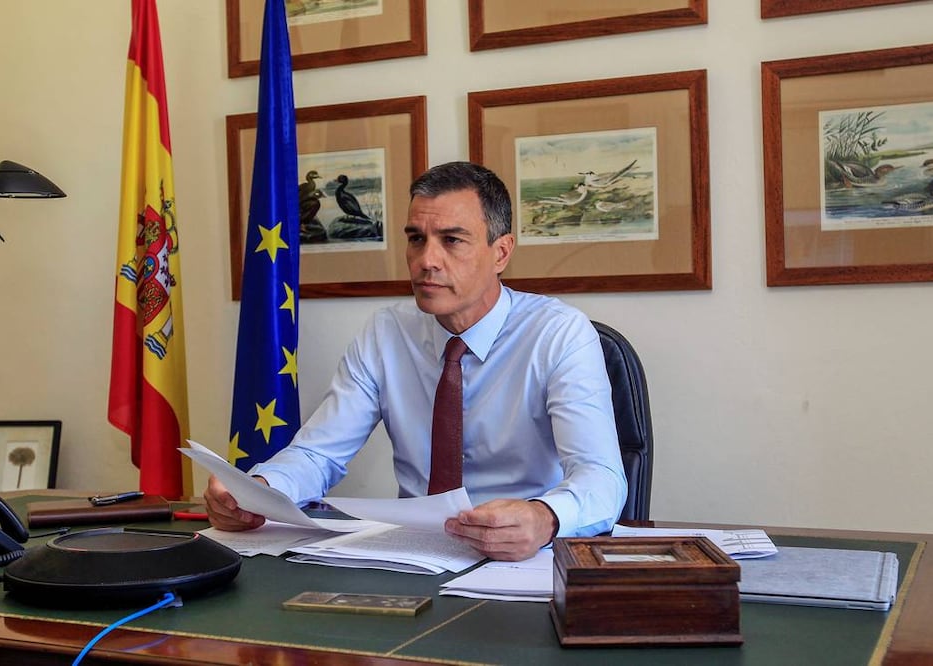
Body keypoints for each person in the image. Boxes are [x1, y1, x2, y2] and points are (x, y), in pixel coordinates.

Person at [205, 161, 626, 561]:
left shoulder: (559, 334)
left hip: (522, 560)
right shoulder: (386, 333)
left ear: (501, 252)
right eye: (416, 239)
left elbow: (601, 477)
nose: (427, 261)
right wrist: (257, 490)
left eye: (452, 240)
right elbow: (319, 455)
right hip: (414, 555)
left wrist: (545, 517)